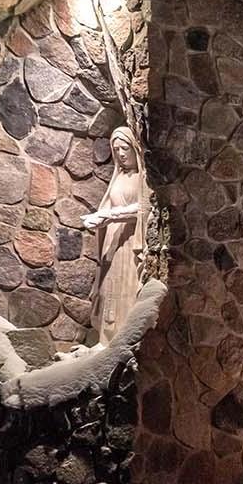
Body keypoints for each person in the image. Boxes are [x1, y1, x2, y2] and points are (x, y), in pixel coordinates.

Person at [82, 125, 146, 346]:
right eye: (116, 149)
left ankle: (120, 339)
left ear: (135, 148)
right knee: (109, 285)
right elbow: (108, 204)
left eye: (125, 148)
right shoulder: (119, 177)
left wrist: (110, 216)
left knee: (125, 284)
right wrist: (98, 218)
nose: (120, 153)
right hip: (113, 237)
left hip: (129, 239)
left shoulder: (141, 178)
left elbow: (142, 209)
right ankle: (105, 339)